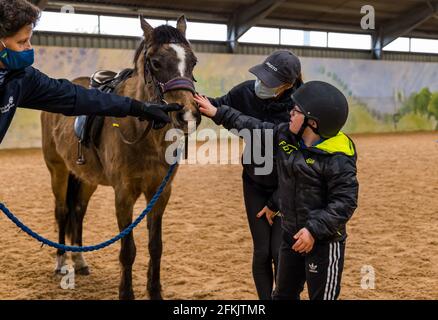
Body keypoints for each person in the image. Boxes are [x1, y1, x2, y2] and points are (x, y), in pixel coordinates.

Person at [194, 80, 359, 300]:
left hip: (323, 244)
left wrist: (313, 230)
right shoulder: (287, 136)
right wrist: (218, 113)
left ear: (313, 123)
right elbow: (253, 126)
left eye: (296, 111)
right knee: (282, 295)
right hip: (291, 237)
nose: (290, 113)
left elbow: (344, 203)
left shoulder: (338, 159)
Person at [0, 0, 182, 145]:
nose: (30, 48)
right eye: (22, 42)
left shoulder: (21, 77)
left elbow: (76, 97)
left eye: (29, 40)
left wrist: (139, 107)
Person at [208, 50, 303, 299]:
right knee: (262, 251)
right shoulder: (245, 92)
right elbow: (215, 105)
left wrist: (276, 203)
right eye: (261, 76)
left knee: (280, 251)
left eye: (269, 82)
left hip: (286, 187)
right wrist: (184, 97)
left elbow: (267, 134)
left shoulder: (298, 111)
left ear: (287, 85)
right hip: (254, 182)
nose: (260, 84)